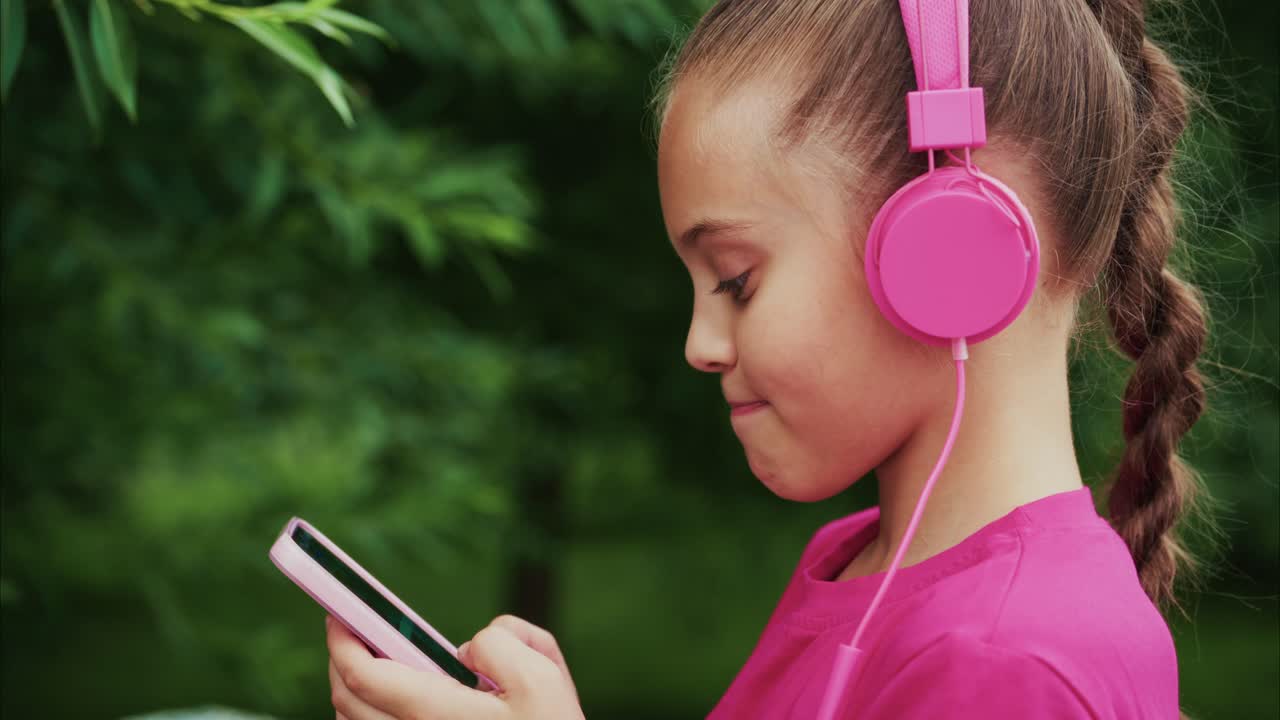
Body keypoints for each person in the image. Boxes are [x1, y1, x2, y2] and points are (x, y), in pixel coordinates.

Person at [325, 0, 1214, 717]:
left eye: (737, 280)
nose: (699, 346)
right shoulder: (857, 565)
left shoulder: (1008, 667)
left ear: (954, 247)